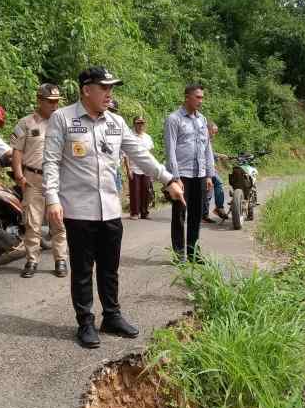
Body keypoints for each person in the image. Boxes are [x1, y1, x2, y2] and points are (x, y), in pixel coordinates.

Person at [43, 66, 185, 348]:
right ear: (86, 90)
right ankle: (85, 322)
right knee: (83, 270)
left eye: (112, 88)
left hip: (109, 208)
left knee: (110, 267)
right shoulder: (63, 118)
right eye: (104, 87)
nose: (110, 93)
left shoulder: (116, 123)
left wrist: (168, 179)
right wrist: (52, 198)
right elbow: (51, 161)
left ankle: (112, 316)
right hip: (78, 210)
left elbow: (141, 155)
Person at [11, 83, 68, 278]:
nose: (54, 105)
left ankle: (60, 259)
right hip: (33, 178)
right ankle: (31, 260)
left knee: (58, 222)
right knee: (32, 223)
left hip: (58, 179)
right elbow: (17, 150)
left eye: (56, 102)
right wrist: (18, 174)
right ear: (40, 100)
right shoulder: (26, 123)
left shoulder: (62, 122)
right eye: (50, 102)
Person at [164, 84, 214, 263]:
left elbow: (207, 147)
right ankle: (179, 254)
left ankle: (193, 252)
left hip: (199, 175)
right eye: (198, 97)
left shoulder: (202, 120)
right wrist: (175, 178)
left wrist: (209, 174)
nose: (201, 101)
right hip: (182, 174)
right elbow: (170, 151)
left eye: (202, 97)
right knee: (179, 215)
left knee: (196, 215)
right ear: (187, 97)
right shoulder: (174, 119)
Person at [123, 116, 154, 220]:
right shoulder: (129, 136)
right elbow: (125, 154)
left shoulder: (147, 137)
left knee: (146, 191)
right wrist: (128, 169)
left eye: (142, 123)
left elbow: (150, 154)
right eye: (138, 123)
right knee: (135, 191)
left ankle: (144, 212)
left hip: (146, 168)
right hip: (134, 167)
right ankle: (134, 212)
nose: (140, 125)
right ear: (134, 124)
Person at [202, 121, 228, 223]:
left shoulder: (208, 140)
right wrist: (220, 156)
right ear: (208, 130)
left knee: (210, 189)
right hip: (204, 169)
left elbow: (211, 154)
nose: (214, 134)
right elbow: (206, 155)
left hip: (209, 168)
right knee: (214, 186)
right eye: (213, 132)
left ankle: (206, 214)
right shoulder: (203, 139)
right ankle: (215, 209)